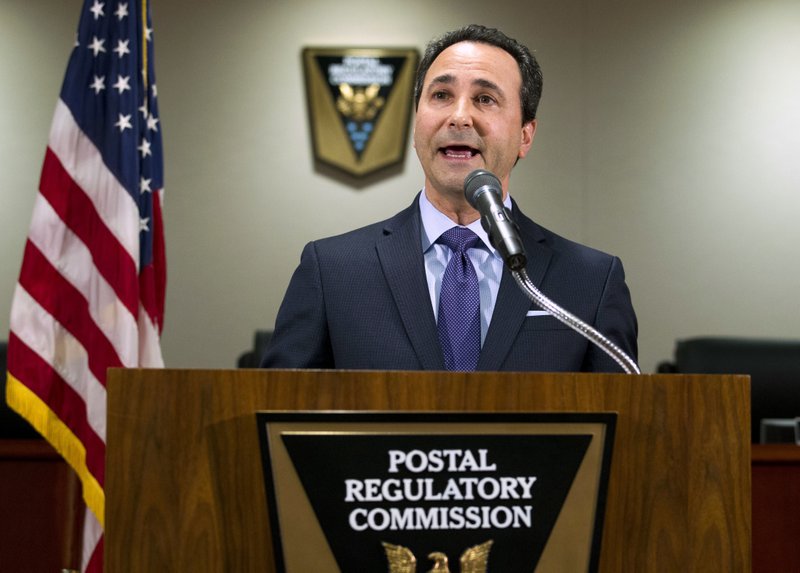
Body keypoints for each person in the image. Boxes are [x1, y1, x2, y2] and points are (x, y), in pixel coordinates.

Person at [261, 24, 637, 372]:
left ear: (526, 135)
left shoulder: (591, 281)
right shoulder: (332, 271)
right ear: (415, 123)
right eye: (441, 95)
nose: (459, 117)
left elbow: (621, 429)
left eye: (485, 99)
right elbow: (279, 416)